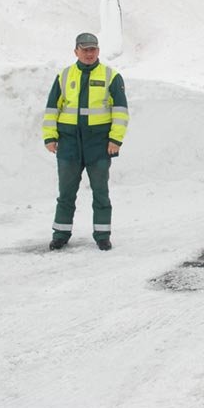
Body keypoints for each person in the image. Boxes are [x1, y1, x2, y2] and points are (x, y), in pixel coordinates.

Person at [42, 32, 129, 251]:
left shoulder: (111, 76)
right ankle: (60, 234)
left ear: (98, 51)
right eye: (85, 50)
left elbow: (120, 112)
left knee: (101, 192)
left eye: (93, 49)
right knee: (66, 193)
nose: (89, 54)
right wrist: (50, 137)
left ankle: (102, 235)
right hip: (69, 144)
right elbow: (52, 109)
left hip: (98, 145)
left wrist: (115, 140)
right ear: (76, 52)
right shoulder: (64, 76)